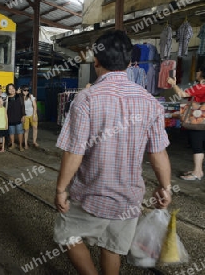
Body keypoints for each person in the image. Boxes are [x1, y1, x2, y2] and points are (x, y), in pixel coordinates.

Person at [54, 30, 172, 275]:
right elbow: (158, 152)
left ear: (96, 61)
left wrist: (61, 189)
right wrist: (166, 187)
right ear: (129, 63)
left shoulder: (86, 99)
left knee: (67, 235)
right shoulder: (150, 101)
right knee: (112, 248)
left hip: (90, 195)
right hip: (129, 198)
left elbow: (74, 152)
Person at [168, 63, 205, 180]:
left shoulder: (201, 86)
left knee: (197, 146)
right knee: (199, 146)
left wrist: (173, 84)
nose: (196, 73)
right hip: (201, 121)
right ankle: (197, 170)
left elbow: (182, 94)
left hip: (197, 122)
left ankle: (197, 173)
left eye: (198, 71)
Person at [6, 83, 25, 151]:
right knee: (11, 132)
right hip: (10, 118)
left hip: (18, 117)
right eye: (10, 89)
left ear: (15, 89)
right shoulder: (6, 98)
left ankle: (20, 146)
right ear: (7, 90)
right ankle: (12, 144)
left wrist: (23, 115)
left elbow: (23, 106)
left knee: (20, 132)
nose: (11, 90)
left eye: (13, 88)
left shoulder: (19, 96)